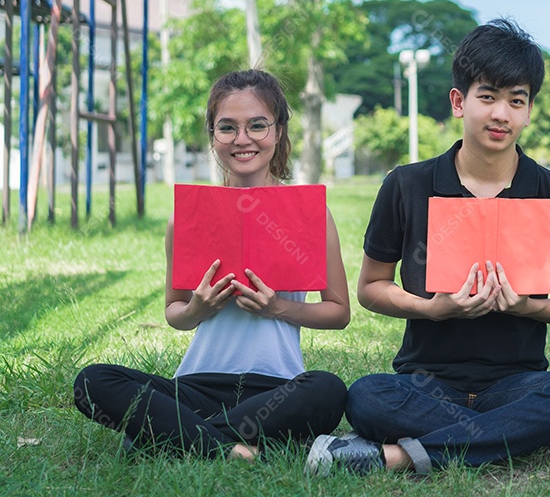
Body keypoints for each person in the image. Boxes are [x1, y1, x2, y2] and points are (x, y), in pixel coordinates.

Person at [307, 18, 550, 476]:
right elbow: (372, 287)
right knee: (368, 395)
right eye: (487, 97)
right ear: (458, 101)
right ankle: (515, 433)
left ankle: (399, 456)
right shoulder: (406, 184)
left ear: (529, 111)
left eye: (516, 101)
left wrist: (527, 306)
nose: (501, 114)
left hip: (518, 382)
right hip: (425, 383)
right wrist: (432, 309)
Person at [73, 69, 350, 460]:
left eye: (257, 125)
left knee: (328, 390)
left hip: (276, 389)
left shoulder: (311, 214)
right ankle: (238, 450)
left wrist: (278, 308)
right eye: (227, 128)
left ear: (279, 130)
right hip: (194, 388)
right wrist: (196, 310)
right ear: (212, 135)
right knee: (93, 381)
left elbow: (338, 313)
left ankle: (171, 437)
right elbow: (175, 313)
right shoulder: (185, 216)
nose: (242, 139)